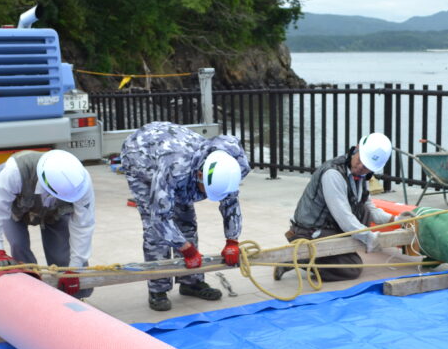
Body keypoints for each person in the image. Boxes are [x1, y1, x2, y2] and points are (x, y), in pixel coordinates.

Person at [121, 121, 250, 311]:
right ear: (200, 175)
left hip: (178, 153)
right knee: (155, 232)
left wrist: (232, 240)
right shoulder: (174, 168)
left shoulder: (233, 166)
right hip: (141, 157)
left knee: (186, 222)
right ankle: (158, 289)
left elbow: (230, 202)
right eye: (206, 190)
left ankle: (191, 281)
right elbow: (160, 218)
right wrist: (187, 250)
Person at [277, 132, 394, 282]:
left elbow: (370, 208)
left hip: (330, 226)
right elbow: (345, 218)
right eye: (360, 161)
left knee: (364, 211)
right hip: (310, 231)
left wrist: (396, 219)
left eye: (367, 167)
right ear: (356, 149)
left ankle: (336, 254)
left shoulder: (361, 176)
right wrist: (369, 237)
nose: (361, 167)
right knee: (352, 269)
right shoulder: (333, 174)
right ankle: (298, 257)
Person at [0, 149, 95, 299]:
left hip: (55, 211)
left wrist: (75, 270)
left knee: (62, 255)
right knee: (18, 246)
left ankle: (73, 298)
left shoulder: (80, 183)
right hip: (14, 206)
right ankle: (31, 294)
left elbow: (83, 225)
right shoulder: (15, 172)